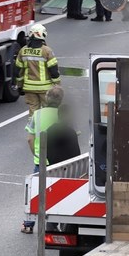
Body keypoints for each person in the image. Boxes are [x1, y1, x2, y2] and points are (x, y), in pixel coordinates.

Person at [22, 85, 81, 232]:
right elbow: (74, 135)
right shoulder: (63, 116)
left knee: (35, 192)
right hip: (59, 162)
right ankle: (56, 223)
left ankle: (28, 225)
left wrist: (36, 154)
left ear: (47, 99)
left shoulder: (37, 115)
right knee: (59, 192)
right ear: (61, 100)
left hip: (40, 161)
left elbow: (30, 139)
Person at [15, 23, 60, 115]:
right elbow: (54, 72)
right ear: (43, 34)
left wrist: (19, 86)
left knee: (33, 111)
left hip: (29, 88)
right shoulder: (47, 51)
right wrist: (57, 85)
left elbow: (18, 71)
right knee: (48, 111)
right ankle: (47, 129)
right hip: (45, 88)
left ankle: (34, 128)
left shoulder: (23, 50)